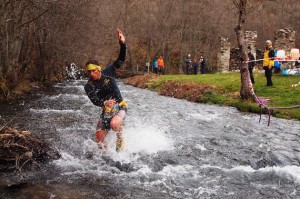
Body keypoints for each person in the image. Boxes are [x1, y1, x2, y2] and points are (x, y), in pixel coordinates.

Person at [84, 28, 127, 151]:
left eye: (94, 70)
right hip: (106, 110)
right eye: (89, 71)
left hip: (120, 106)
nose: (92, 74)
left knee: (114, 125)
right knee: (99, 140)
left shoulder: (109, 72)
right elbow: (94, 100)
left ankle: (120, 137)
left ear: (99, 69)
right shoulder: (88, 86)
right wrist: (104, 103)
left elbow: (120, 60)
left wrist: (122, 44)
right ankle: (107, 158)